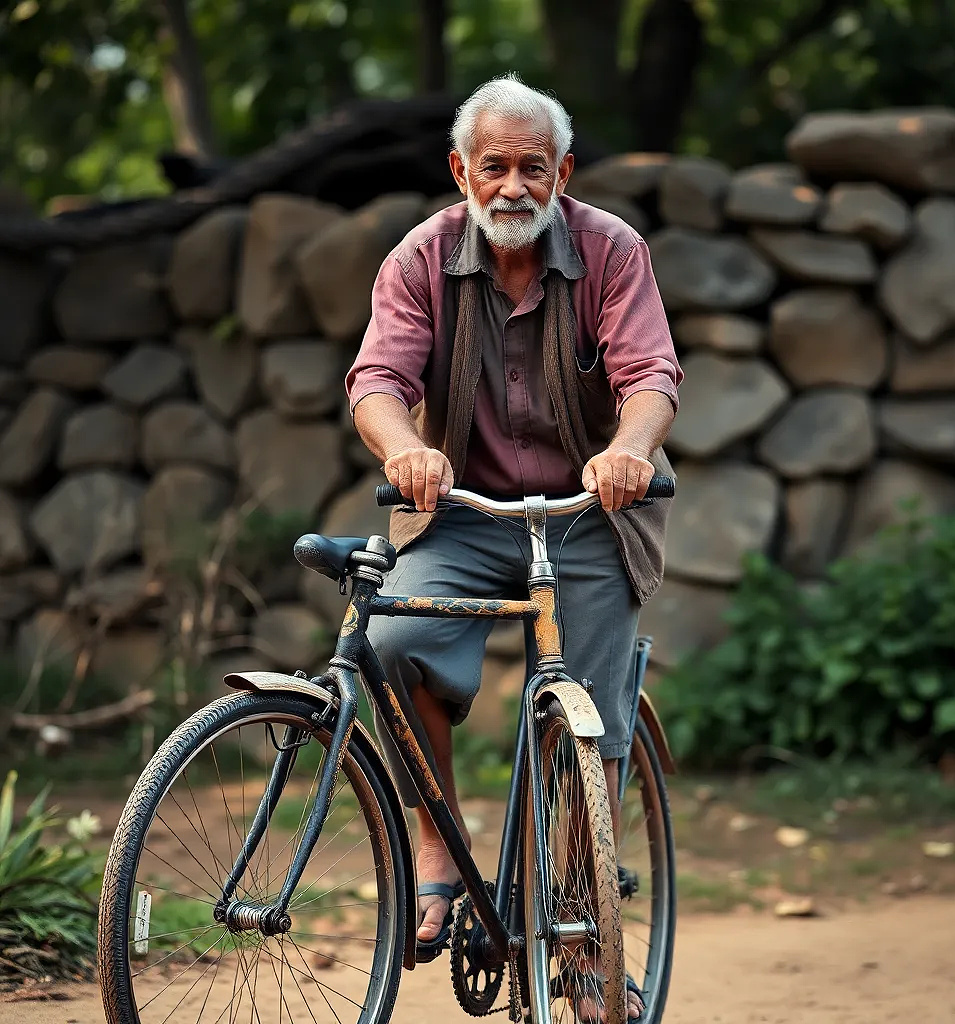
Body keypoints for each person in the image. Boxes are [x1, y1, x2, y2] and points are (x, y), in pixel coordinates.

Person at [346, 73, 682, 1019]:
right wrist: (406, 446)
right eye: (492, 166)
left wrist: (629, 447)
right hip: (463, 513)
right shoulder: (420, 258)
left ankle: (583, 929)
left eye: (534, 167)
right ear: (460, 171)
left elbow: (651, 372)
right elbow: (377, 376)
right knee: (393, 644)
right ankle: (436, 843)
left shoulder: (613, 251)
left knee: (594, 721)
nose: (513, 186)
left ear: (563, 173)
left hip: (585, 513)